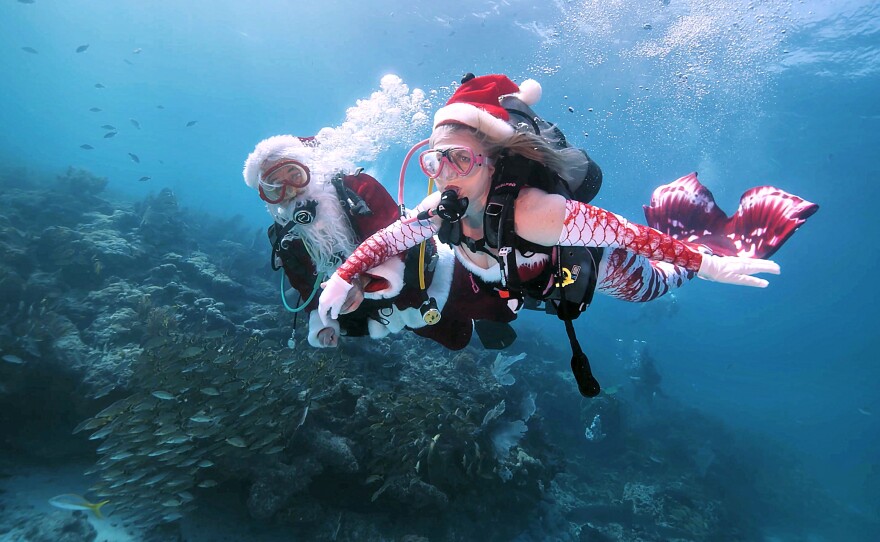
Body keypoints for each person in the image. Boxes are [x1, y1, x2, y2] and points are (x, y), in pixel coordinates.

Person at [318, 74, 818, 345]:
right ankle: (689, 227)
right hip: (520, 279)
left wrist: (709, 266)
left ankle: (705, 229)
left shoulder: (535, 210)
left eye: (460, 159)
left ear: (491, 162)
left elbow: (626, 235)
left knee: (652, 286)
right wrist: (344, 277)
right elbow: (390, 240)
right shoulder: (438, 207)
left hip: (600, 263)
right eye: (436, 159)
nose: (445, 173)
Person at [243, 134, 473, 349]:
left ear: (310, 169)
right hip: (376, 307)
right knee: (448, 336)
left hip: (424, 276)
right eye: (276, 187)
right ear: (269, 197)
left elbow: (396, 237)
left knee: (458, 335)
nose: (291, 190)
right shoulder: (285, 236)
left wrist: (360, 280)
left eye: (295, 174)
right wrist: (324, 323)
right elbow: (305, 284)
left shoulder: (357, 187)